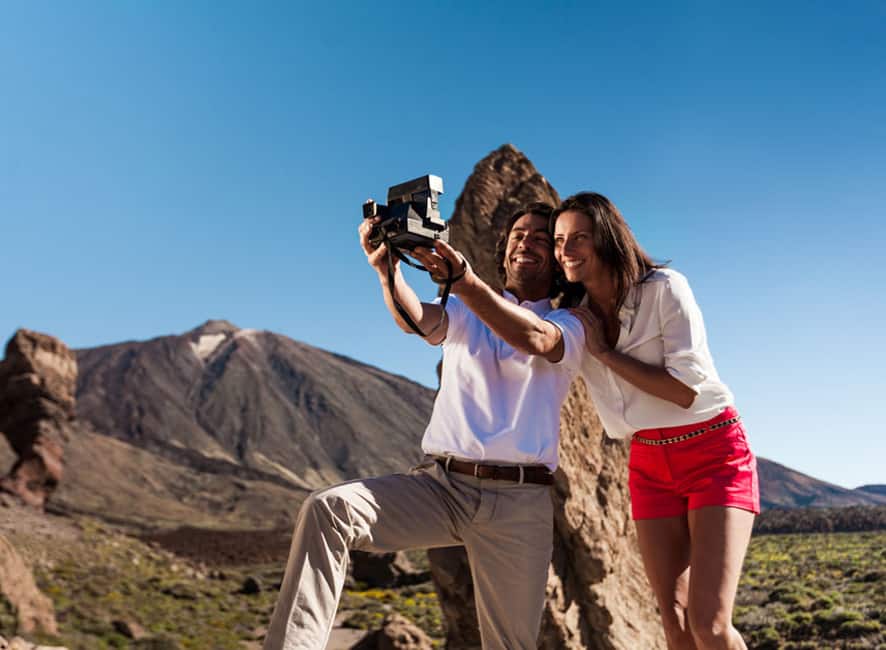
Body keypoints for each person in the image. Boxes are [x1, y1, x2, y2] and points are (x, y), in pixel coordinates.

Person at [262, 202, 585, 650]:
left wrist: (464, 281)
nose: (525, 243)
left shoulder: (569, 323)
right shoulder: (464, 309)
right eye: (518, 235)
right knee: (328, 509)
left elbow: (533, 338)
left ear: (559, 259)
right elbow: (416, 319)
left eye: (540, 238)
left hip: (519, 503)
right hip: (444, 488)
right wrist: (387, 270)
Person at [550, 192, 759, 650]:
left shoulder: (664, 288)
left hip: (713, 450)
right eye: (559, 240)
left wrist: (604, 353)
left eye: (579, 237)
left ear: (607, 237)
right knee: (675, 620)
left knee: (709, 622)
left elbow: (683, 391)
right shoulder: (571, 316)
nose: (566, 249)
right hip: (647, 461)